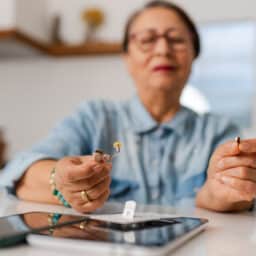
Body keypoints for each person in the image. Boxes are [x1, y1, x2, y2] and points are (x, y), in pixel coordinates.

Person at [1, 0, 256, 213]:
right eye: (148, 39)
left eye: (176, 39)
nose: (163, 49)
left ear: (193, 54)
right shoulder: (94, 118)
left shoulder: (219, 131)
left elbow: (219, 198)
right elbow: (17, 173)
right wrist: (60, 180)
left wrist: (224, 188)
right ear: (127, 57)